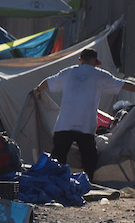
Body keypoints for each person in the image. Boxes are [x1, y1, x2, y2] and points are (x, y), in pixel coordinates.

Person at [34, 48, 135, 181]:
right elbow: (123, 84)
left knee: (58, 158)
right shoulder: (99, 75)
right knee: (89, 160)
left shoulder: (68, 72)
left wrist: (37, 91)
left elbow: (48, 81)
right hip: (85, 126)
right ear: (94, 61)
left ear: (80, 60)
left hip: (64, 125)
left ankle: (54, 184)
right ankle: (87, 184)